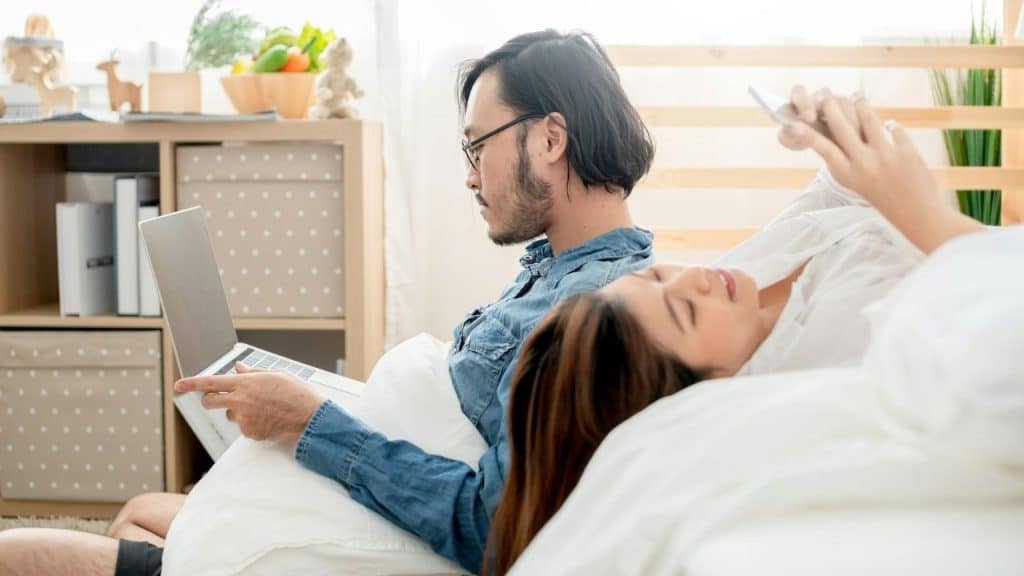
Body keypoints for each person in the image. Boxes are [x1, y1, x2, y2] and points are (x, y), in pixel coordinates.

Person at [0, 30, 655, 576]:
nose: (469, 173)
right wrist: (320, 404)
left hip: (391, 535)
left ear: (548, 139)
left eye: (477, 145)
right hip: (375, 496)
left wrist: (312, 422)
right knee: (146, 508)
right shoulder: (561, 270)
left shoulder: (589, 310)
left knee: (23, 553)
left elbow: (494, 526)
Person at [485, 87, 989, 573]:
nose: (695, 278)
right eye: (685, 313)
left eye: (656, 275)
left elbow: (839, 192)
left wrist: (833, 135)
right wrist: (924, 215)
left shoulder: (740, 280)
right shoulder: (825, 358)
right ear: (692, 394)